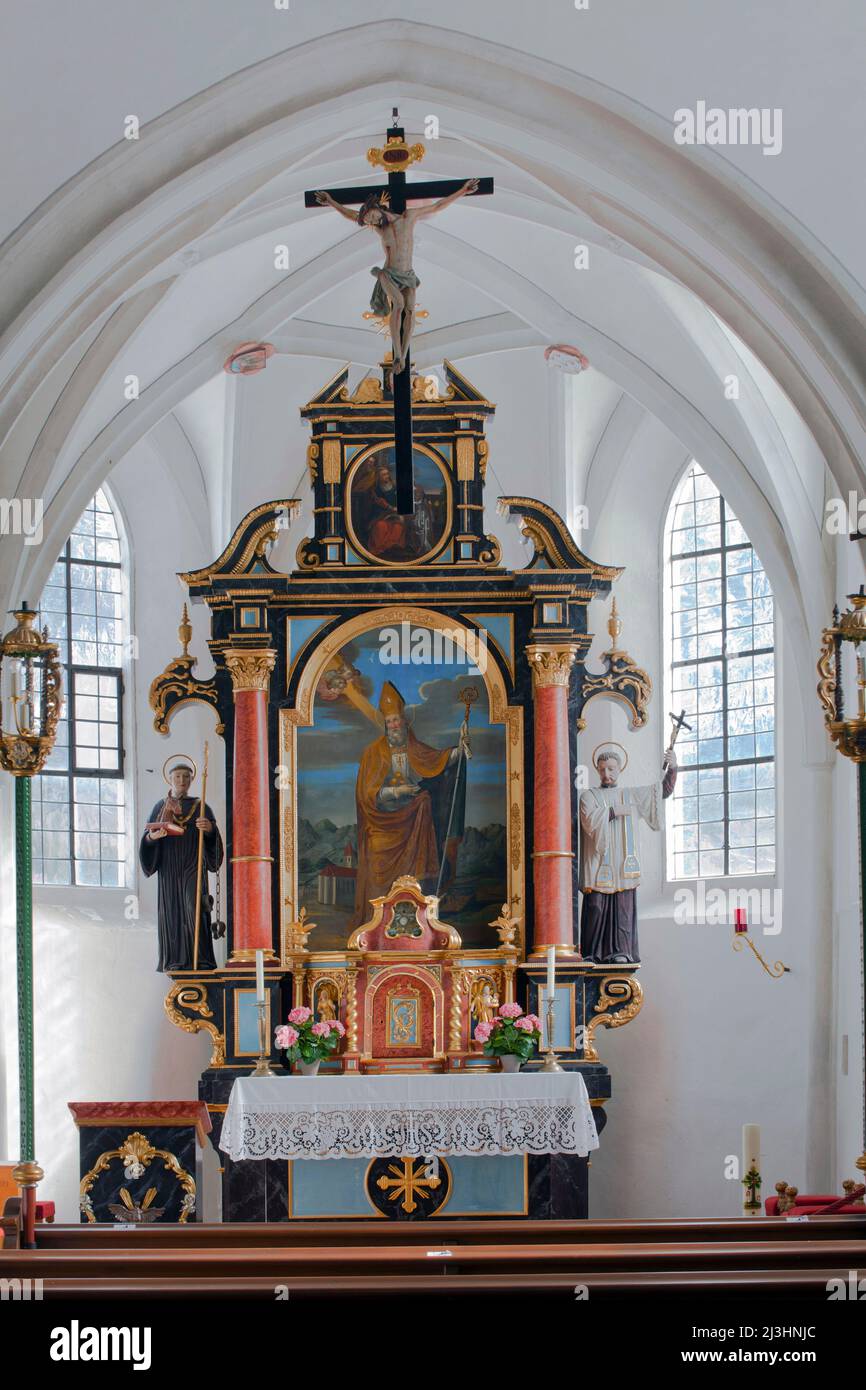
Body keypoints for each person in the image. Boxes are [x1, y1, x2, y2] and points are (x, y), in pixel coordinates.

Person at [315, 179, 479, 372]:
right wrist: (332, 202)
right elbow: (352, 215)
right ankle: (398, 355)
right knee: (399, 305)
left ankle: (404, 353)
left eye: (372, 217)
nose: (373, 222)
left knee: (410, 310)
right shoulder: (380, 229)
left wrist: (462, 191)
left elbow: (437, 206)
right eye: (369, 222)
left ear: (375, 207)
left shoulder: (409, 217)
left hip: (408, 274)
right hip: (389, 274)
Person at [351, 682, 470, 926]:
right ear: (385, 725)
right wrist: (396, 791)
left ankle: (418, 917)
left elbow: (437, 761)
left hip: (411, 818)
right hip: (382, 822)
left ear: (405, 722)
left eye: (397, 720)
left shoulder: (414, 747)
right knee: (377, 856)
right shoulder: (373, 753)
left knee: (425, 801)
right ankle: (377, 922)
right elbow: (366, 794)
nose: (394, 725)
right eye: (390, 721)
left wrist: (460, 749)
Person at [578, 745, 677, 963]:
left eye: (611, 769)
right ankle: (591, 953)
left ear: (620, 769)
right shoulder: (589, 796)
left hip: (623, 864)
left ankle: (621, 952)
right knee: (595, 906)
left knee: (623, 908)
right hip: (598, 865)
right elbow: (589, 821)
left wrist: (673, 767)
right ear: (597, 770)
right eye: (602, 769)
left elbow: (663, 792)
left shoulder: (631, 795)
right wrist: (613, 811)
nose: (607, 774)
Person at [139, 760, 223, 972]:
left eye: (186, 777)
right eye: (177, 776)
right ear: (170, 779)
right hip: (169, 868)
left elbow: (214, 841)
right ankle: (175, 959)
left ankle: (200, 959)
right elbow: (147, 838)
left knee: (194, 907)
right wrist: (152, 837)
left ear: (192, 779)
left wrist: (210, 828)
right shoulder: (160, 806)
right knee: (173, 911)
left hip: (193, 865)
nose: (182, 781)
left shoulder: (201, 806)